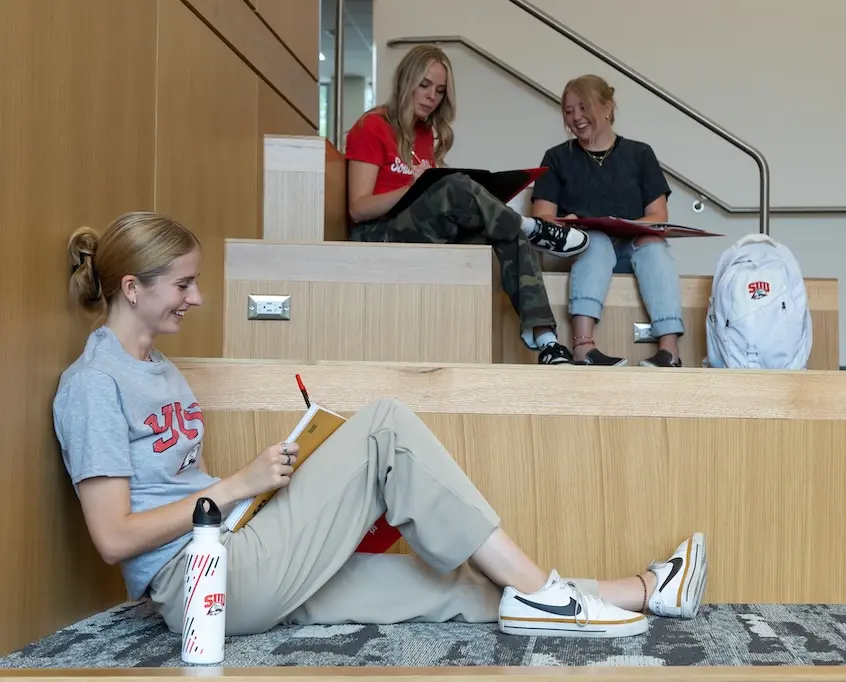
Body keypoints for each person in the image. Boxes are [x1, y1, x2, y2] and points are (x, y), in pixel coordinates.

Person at [52, 211, 709, 640]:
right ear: (133, 288)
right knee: (384, 427)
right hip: (206, 579)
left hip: (231, 557)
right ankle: (544, 593)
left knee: (443, 586)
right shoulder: (93, 384)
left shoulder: (159, 369)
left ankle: (645, 591)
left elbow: (167, 496)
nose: (197, 298)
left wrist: (260, 491)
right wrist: (234, 486)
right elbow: (112, 537)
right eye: (184, 285)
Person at [344, 45, 584, 365]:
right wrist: (415, 186)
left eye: (440, 91)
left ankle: (547, 341)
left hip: (421, 230)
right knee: (454, 185)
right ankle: (531, 225)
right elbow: (358, 208)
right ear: (406, 81)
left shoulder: (425, 133)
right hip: (377, 234)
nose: (432, 96)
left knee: (506, 234)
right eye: (425, 85)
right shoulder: (372, 126)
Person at [531, 75, 685, 368]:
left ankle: (669, 350)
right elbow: (542, 217)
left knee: (653, 242)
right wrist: (568, 224)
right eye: (568, 111)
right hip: (581, 251)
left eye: (583, 107)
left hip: (631, 248)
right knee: (597, 241)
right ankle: (583, 347)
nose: (576, 117)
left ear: (607, 107)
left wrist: (626, 227)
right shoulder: (557, 157)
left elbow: (658, 216)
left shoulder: (639, 154)